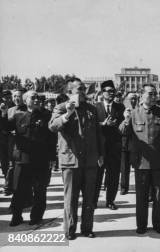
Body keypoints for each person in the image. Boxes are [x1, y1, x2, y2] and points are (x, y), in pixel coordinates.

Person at [119, 84, 160, 235]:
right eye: (150, 94)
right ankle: (141, 225)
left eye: (155, 94)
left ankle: (158, 224)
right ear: (142, 95)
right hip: (141, 162)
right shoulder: (133, 113)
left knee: (159, 195)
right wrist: (126, 120)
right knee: (142, 196)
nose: (153, 97)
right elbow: (122, 132)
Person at [49, 78, 104, 240]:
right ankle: (70, 230)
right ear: (69, 92)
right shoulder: (60, 107)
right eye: (78, 89)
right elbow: (52, 126)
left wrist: (101, 154)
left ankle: (87, 228)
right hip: (71, 161)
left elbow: (98, 134)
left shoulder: (91, 109)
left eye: (83, 89)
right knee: (71, 198)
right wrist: (68, 113)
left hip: (90, 161)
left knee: (89, 198)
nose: (82, 92)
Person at [1, 91, 54, 226]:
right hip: (22, 159)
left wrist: (52, 157)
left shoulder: (47, 116)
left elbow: (51, 139)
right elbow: (5, 128)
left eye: (38, 97)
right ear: (25, 101)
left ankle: (36, 216)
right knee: (18, 189)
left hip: (40, 159)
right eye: (33, 97)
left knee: (40, 189)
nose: (37, 99)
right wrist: (2, 113)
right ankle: (16, 216)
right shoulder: (18, 115)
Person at [94, 80, 125, 210]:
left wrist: (119, 125)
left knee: (113, 176)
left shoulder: (120, 108)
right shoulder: (95, 107)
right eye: (108, 91)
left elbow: (123, 126)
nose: (111, 93)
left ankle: (110, 201)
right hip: (99, 148)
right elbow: (91, 127)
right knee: (97, 176)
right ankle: (93, 200)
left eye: (113, 91)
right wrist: (103, 124)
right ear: (102, 92)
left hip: (114, 148)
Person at [120, 92, 139, 194]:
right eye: (131, 98)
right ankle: (124, 187)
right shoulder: (122, 110)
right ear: (127, 99)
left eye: (135, 99)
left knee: (137, 167)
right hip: (125, 142)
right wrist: (126, 119)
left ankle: (139, 186)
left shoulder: (139, 110)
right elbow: (120, 128)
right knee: (124, 168)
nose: (133, 100)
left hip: (136, 143)